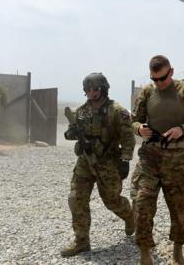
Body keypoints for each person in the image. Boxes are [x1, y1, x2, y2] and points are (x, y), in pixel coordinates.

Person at [131, 55, 184, 265]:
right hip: (150, 158)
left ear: (171, 72)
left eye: (162, 78)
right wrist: (138, 128)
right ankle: (145, 252)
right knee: (142, 204)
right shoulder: (147, 92)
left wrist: (183, 129)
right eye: (154, 79)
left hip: (177, 159)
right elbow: (134, 119)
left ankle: (178, 250)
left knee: (178, 207)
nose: (159, 83)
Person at [61, 73, 136, 257]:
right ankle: (81, 241)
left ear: (103, 89)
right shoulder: (81, 112)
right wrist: (72, 132)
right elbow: (69, 134)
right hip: (85, 162)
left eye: (95, 89)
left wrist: (125, 160)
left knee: (112, 200)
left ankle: (130, 216)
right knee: (76, 198)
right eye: (88, 90)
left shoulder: (117, 111)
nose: (91, 93)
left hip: (108, 163)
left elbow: (128, 136)